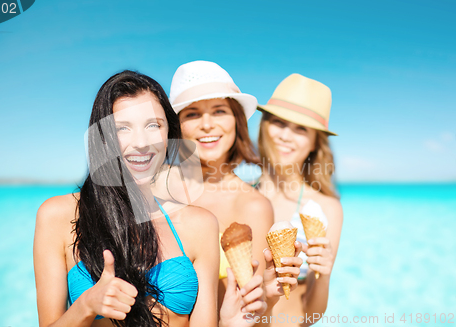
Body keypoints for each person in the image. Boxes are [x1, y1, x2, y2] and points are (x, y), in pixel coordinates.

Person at [33, 70, 266, 327]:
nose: (141, 142)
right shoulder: (58, 215)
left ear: (169, 133)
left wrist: (231, 324)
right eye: (123, 128)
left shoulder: (200, 224)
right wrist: (86, 306)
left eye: (153, 125)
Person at [169, 61, 303, 316]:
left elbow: (252, 316)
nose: (207, 124)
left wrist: (269, 300)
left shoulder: (253, 206)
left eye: (219, 111)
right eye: (192, 113)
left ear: (237, 121)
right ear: (177, 126)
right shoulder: (150, 189)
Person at [256, 73, 343, 326]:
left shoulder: (326, 209)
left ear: (316, 141)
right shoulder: (239, 193)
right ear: (264, 125)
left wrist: (324, 276)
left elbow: (313, 315)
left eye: (300, 129)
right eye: (278, 122)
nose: (286, 135)